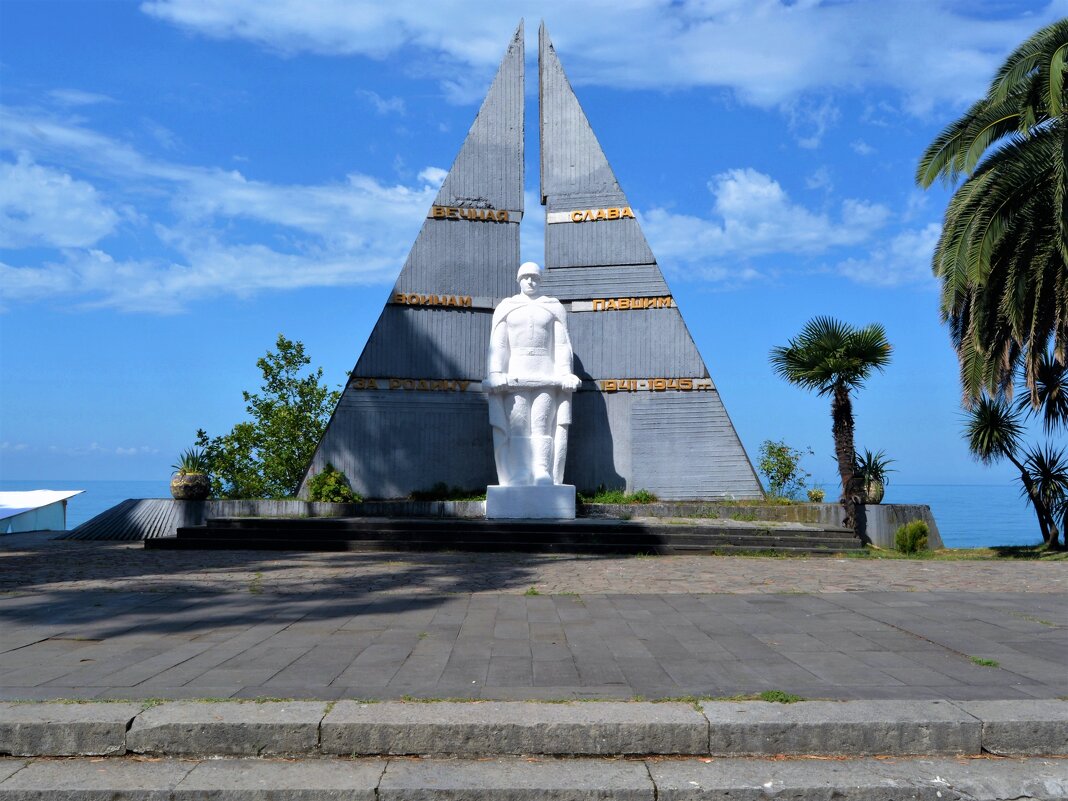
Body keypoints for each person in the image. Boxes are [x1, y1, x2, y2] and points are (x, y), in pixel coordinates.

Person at [484, 262, 581, 486]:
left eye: (535, 277)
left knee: (541, 425)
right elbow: (498, 345)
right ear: (519, 279)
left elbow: (562, 344)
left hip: (546, 374)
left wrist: (565, 373)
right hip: (515, 375)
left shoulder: (552, 307)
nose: (530, 281)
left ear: (541, 280)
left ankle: (541, 471)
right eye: (526, 277)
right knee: (518, 426)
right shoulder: (507, 307)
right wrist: (496, 372)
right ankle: (520, 472)